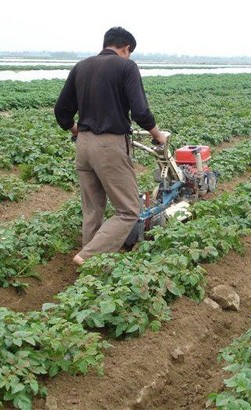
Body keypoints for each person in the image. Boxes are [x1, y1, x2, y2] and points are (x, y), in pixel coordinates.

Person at [54, 26, 167, 266]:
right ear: (126, 49)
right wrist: (158, 135)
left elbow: (61, 111)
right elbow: (140, 111)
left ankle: (90, 270)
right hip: (110, 146)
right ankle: (87, 257)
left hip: (83, 146)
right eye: (130, 52)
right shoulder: (127, 67)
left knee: (93, 210)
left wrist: (76, 130)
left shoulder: (81, 66)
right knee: (128, 210)